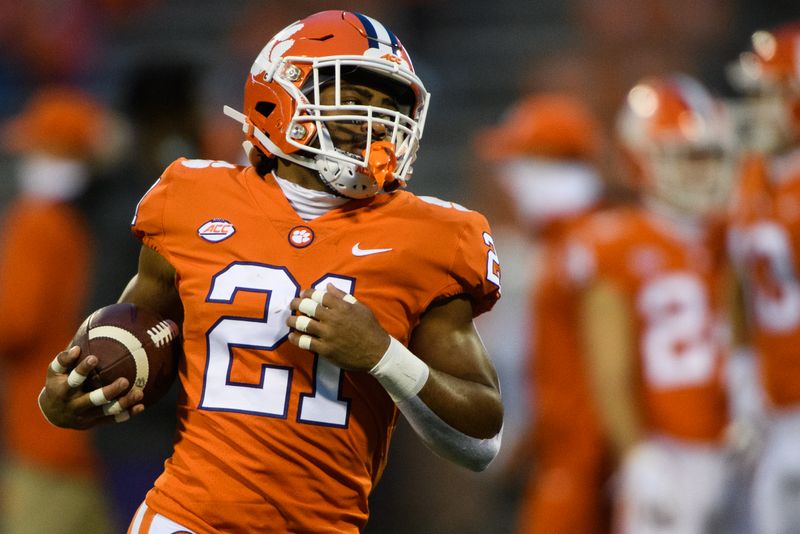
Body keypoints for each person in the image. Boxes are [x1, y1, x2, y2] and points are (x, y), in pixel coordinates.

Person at [37, 10, 504, 533]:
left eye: (390, 104)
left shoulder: (433, 236)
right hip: (187, 518)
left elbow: (480, 443)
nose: (378, 120)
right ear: (278, 95)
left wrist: (383, 356)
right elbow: (134, 335)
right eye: (354, 96)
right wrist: (72, 394)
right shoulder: (190, 198)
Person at [563, 74, 735, 533]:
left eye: (710, 155)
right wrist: (636, 452)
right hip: (667, 448)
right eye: (686, 156)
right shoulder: (616, 240)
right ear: (639, 160)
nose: (701, 170)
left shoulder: (726, 235)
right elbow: (610, 367)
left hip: (736, 444)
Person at [474, 93, 613, 534]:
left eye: (516, 164)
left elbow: (603, 374)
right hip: (566, 453)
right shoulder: (562, 247)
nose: (508, 180)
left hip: (584, 459)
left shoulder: (586, 250)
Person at [0, 87, 115, 534]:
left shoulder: (38, 219)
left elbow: (13, 323)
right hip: (105, 433)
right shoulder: (108, 218)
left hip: (46, 433)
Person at [726, 21, 800, 534]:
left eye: (767, 93)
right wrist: (744, 364)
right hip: (776, 409)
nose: (754, 107)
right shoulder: (752, 172)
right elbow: (735, 274)